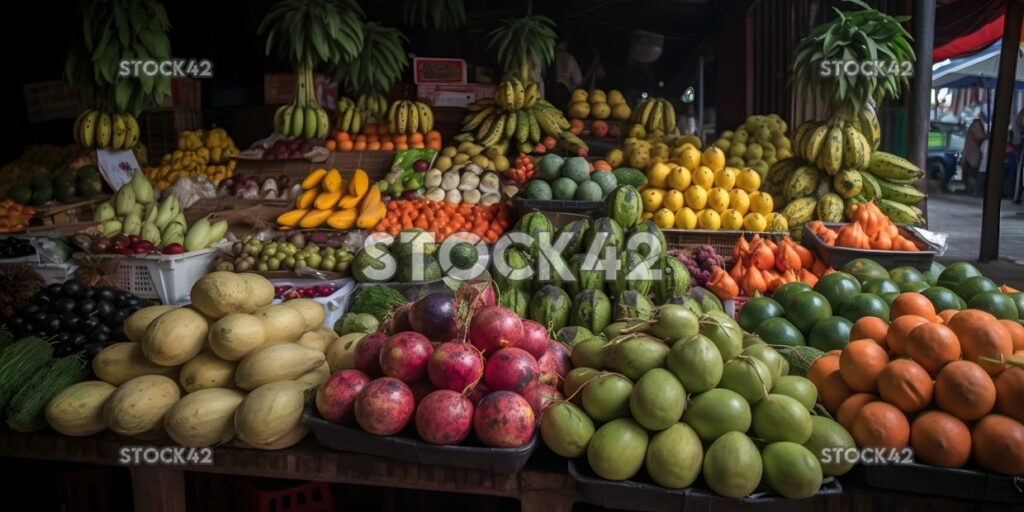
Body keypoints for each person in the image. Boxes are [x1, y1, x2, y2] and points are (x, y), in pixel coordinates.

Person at [962, 118, 989, 196]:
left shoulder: (976, 124)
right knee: (972, 172)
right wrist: (988, 136)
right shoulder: (976, 124)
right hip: (972, 153)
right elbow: (979, 136)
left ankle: (972, 189)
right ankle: (972, 190)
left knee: (972, 171)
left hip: (972, 153)